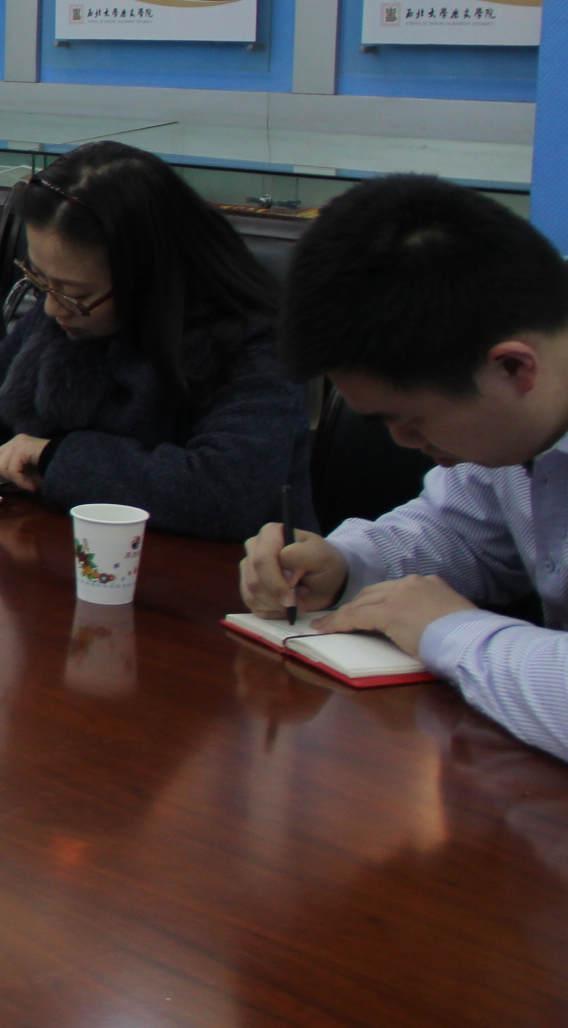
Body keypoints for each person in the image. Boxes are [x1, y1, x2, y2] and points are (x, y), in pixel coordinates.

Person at [239, 177, 568, 761]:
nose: (403, 443)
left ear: (515, 369)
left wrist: (449, 632)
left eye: (413, 421)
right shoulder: (511, 393)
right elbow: (462, 528)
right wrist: (347, 566)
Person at [0, 141, 305, 539]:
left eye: (74, 294)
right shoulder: (72, 313)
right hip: (63, 558)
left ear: (146, 277)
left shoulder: (250, 340)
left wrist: (56, 456)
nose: (51, 308)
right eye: (39, 280)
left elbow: (226, 492)